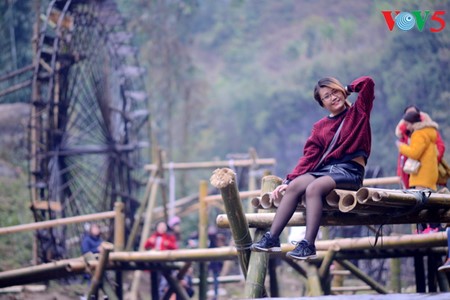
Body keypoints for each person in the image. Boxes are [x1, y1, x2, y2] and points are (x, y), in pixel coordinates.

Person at [251, 76, 375, 260]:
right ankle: (272, 238)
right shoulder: (320, 127)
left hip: (350, 171)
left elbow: (368, 83)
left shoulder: (358, 112)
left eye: (335, 92)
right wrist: (289, 180)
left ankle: (308, 244)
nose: (333, 97)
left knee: (314, 188)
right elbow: (309, 158)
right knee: (295, 187)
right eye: (326, 96)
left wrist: (347, 88)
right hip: (326, 170)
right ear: (322, 104)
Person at [395, 105, 446, 190]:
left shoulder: (419, 133)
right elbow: (402, 159)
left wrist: (401, 147)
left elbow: (415, 153)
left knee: (421, 199)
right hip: (416, 174)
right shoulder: (429, 131)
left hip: (420, 175)